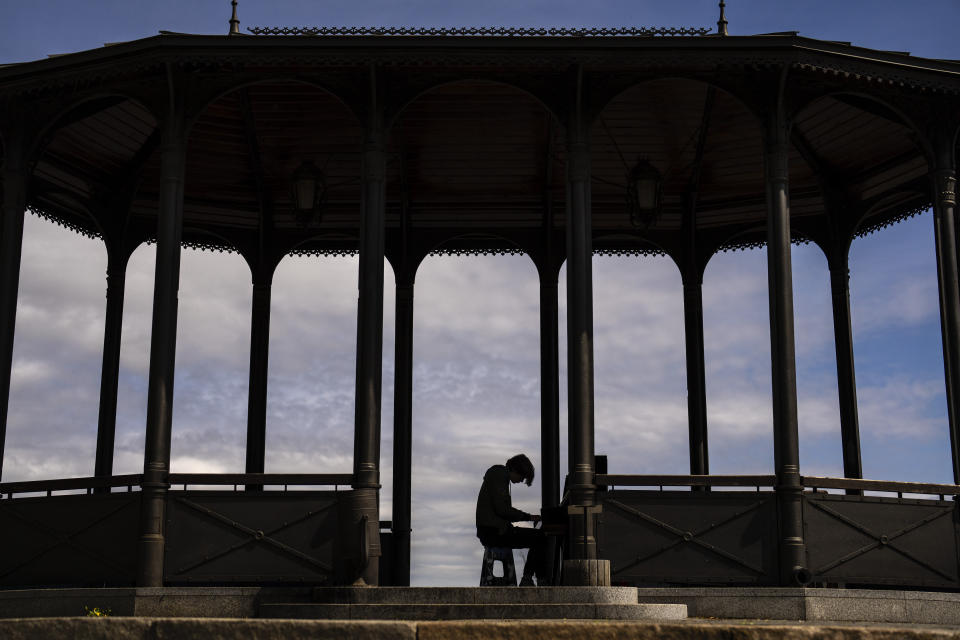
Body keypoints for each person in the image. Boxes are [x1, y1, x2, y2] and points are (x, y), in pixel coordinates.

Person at [475, 453, 548, 586]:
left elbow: (502, 510)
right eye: (522, 477)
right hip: (494, 532)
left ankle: (530, 578)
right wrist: (529, 517)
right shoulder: (500, 475)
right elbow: (503, 510)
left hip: (492, 530)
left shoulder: (499, 477)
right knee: (540, 537)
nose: (521, 481)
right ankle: (532, 579)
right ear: (515, 469)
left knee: (538, 537)